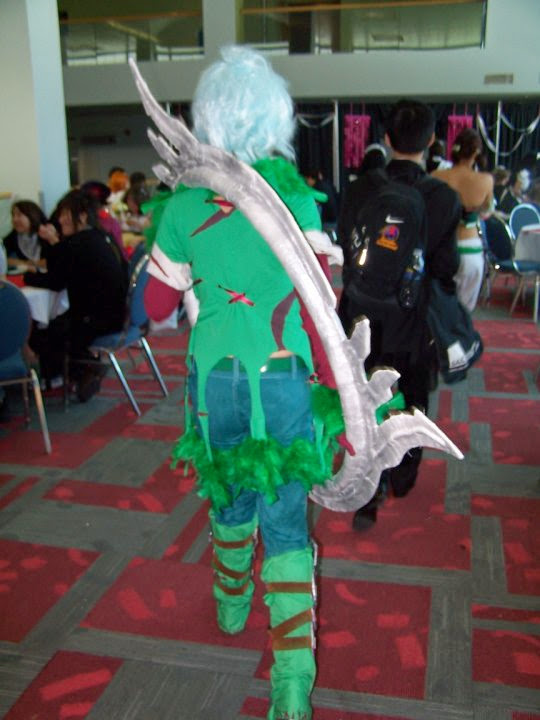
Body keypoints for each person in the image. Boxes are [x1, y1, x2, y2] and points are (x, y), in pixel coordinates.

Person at [142, 45, 342, 720]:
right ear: (277, 119)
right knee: (286, 519)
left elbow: (154, 308)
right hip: (284, 381)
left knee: (226, 493)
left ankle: (231, 604)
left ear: (206, 118)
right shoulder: (297, 201)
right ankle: (291, 679)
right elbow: (322, 311)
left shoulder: (183, 204)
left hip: (215, 385)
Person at [338, 99, 461, 531]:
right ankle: (401, 476)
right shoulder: (443, 197)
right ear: (430, 141)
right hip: (412, 322)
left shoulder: (359, 189)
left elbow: (346, 248)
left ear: (386, 139)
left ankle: (365, 490)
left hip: (358, 320)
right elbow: (446, 268)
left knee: (360, 402)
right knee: (409, 398)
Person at [23, 189, 128, 401]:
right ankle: (83, 368)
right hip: (119, 314)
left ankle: (71, 374)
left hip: (95, 321)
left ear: (81, 216)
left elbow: (55, 280)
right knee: (55, 324)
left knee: (43, 332)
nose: (60, 219)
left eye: (65, 214)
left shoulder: (78, 242)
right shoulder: (102, 236)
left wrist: (28, 277)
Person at [432, 128, 494, 312]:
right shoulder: (485, 180)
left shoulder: (437, 176)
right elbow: (487, 210)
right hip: (470, 248)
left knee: (439, 308)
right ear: (476, 151)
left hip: (442, 247)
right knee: (465, 311)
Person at [3, 200, 50, 271]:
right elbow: (3, 259)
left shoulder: (48, 233)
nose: (14, 219)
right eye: (13, 215)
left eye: (19, 215)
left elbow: (53, 261)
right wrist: (25, 263)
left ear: (32, 216)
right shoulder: (13, 237)